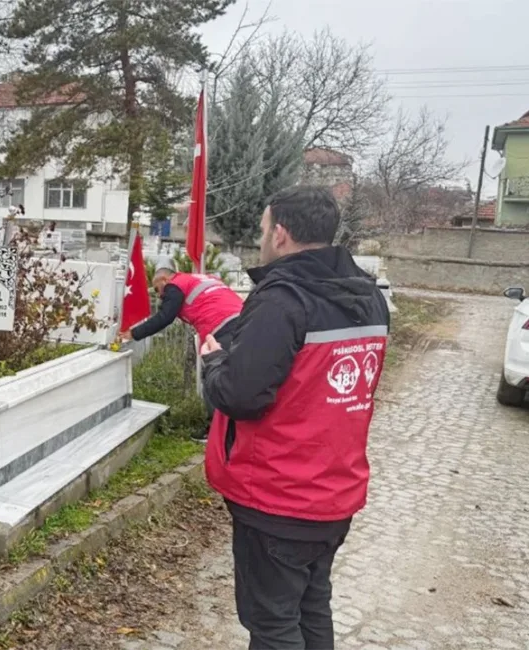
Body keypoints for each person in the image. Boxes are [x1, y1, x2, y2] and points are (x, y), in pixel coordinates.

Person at [199, 186, 390, 650]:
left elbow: (241, 395)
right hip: (333, 491)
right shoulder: (368, 297)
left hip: (277, 497)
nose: (262, 239)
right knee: (310, 607)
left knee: (272, 625)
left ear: (280, 234)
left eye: (264, 230)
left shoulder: (282, 301)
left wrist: (214, 362)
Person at [120, 257, 244, 442]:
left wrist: (133, 333)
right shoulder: (197, 278)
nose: (160, 295)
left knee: (213, 376)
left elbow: (164, 317)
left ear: (163, 280)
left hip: (220, 326)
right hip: (243, 320)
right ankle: (237, 430)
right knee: (236, 377)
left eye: (157, 289)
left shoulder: (174, 285)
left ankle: (216, 432)